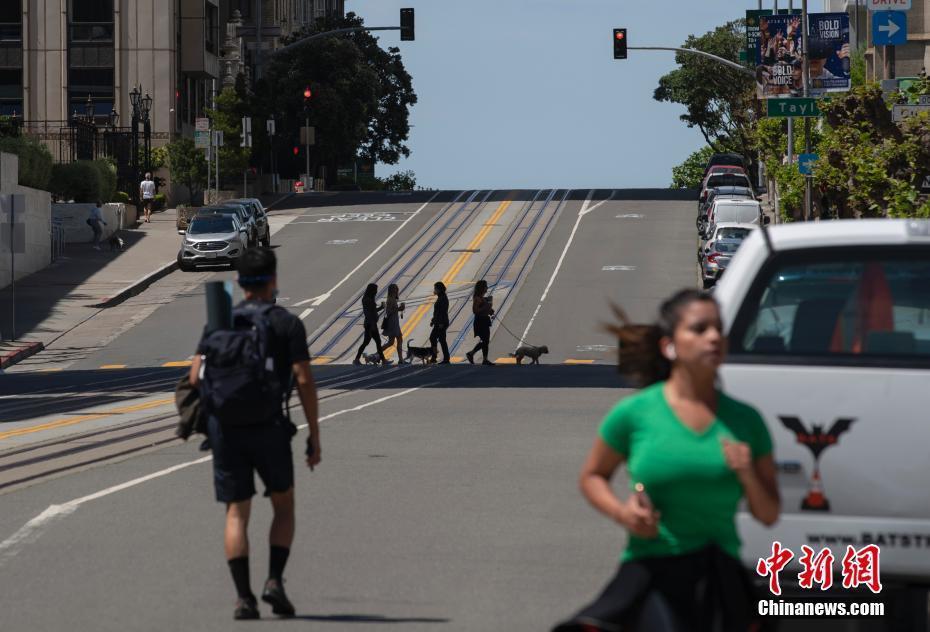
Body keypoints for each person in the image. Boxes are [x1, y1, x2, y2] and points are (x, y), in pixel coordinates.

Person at [553, 289, 780, 632]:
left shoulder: (746, 420)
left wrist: (747, 473)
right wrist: (623, 514)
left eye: (719, 328)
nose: (714, 337)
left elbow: (769, 513)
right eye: (700, 329)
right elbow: (593, 476)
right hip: (653, 571)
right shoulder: (635, 413)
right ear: (669, 345)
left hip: (720, 577)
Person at [189, 247, 321, 620]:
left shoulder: (220, 320)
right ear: (273, 280)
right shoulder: (286, 324)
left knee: (236, 512)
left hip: (226, 430)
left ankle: (244, 598)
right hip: (269, 428)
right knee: (283, 504)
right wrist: (314, 433)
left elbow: (194, 376)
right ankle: (274, 581)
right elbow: (303, 380)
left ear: (239, 282)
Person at [353, 283, 389, 365]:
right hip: (371, 324)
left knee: (366, 342)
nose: (376, 291)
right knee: (378, 342)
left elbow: (372, 311)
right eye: (375, 290)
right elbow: (370, 313)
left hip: (369, 323)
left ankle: (356, 359)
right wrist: (373, 325)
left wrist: (381, 307)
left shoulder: (366, 299)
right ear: (372, 290)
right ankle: (383, 360)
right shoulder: (369, 300)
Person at [465, 279, 494, 366]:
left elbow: (485, 310)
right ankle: (474, 354)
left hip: (485, 320)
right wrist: (486, 306)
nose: (487, 288)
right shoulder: (477, 298)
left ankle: (475, 355)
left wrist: (489, 310)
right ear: (482, 288)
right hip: (480, 321)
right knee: (485, 340)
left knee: (485, 340)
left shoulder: (482, 298)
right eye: (486, 286)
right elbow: (475, 310)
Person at [380, 283, 407, 363]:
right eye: (395, 289)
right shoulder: (390, 299)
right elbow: (389, 312)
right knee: (399, 339)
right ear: (392, 290)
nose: (396, 290)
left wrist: (399, 309)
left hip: (394, 322)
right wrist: (399, 309)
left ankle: (377, 354)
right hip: (393, 323)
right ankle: (401, 359)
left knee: (391, 342)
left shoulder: (392, 299)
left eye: (396, 289)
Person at [429, 281, 450, 364]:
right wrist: (433, 321)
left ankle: (444, 358)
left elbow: (442, 312)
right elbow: (437, 312)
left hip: (441, 323)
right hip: (438, 322)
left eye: (435, 288)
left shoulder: (443, 298)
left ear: (440, 289)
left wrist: (440, 323)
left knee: (439, 339)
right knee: (437, 339)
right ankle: (436, 357)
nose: (434, 290)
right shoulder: (440, 297)